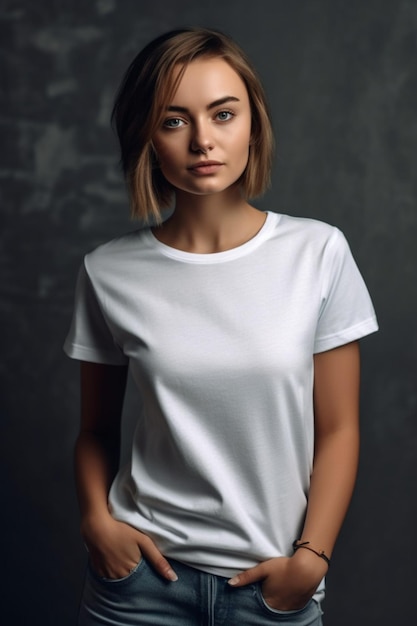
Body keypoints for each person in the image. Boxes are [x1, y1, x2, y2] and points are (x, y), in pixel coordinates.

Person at [64, 28, 378, 626]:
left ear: (251, 124)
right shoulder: (108, 271)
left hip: (272, 588)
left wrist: (312, 560)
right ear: (147, 138)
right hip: (139, 588)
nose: (204, 141)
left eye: (223, 114)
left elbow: (338, 429)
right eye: (174, 121)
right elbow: (95, 432)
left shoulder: (318, 253)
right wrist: (97, 524)